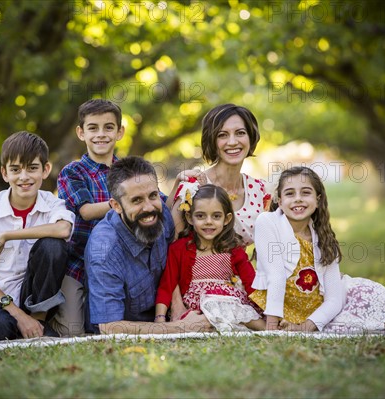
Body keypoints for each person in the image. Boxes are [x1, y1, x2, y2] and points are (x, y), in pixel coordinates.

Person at [251, 166, 385, 332]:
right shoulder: (267, 222)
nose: (298, 198)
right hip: (299, 309)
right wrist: (272, 328)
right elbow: (276, 275)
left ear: (317, 200)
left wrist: (307, 326)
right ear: (280, 202)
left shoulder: (323, 236)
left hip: (339, 298)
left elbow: (334, 298)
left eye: (306, 192)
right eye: (290, 193)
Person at [0, 131, 75, 342]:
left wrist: (6, 235)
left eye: (32, 168)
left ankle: (38, 322)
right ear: (4, 173)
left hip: (33, 299)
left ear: (45, 170)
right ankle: (14, 327)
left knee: (53, 245)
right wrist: (19, 316)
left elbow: (63, 230)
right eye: (15, 170)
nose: (24, 177)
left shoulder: (53, 204)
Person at [85, 156, 212, 334]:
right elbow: (110, 327)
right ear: (116, 206)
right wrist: (181, 328)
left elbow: (173, 260)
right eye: (136, 200)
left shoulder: (162, 215)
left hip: (163, 317)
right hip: (130, 330)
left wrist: (177, 306)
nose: (148, 207)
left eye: (153, 196)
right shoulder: (105, 249)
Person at [155, 184, 266, 331]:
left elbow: (251, 282)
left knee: (232, 310)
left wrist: (268, 311)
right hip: (196, 310)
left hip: (228, 304)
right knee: (208, 308)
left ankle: (268, 327)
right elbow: (166, 285)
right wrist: (160, 319)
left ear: (226, 219)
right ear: (189, 217)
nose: (208, 221)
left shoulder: (233, 248)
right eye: (200, 216)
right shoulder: (179, 249)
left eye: (216, 216)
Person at [56, 99, 124, 336]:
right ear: (81, 133)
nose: (101, 134)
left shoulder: (128, 172)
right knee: (72, 332)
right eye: (93, 128)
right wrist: (128, 202)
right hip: (77, 265)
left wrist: (181, 185)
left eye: (108, 127)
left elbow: (155, 202)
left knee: (109, 327)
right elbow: (85, 211)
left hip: (117, 267)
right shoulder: (72, 172)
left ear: (120, 132)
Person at [169, 103, 272, 245]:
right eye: (222, 135)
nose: (232, 142)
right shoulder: (192, 187)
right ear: (212, 141)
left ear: (250, 136)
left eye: (240, 133)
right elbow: (174, 248)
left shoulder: (260, 191)